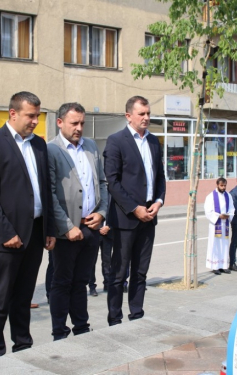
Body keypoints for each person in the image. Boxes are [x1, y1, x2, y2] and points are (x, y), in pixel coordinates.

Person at [0, 91, 56, 360]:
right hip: (5, 237)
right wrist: (6, 232)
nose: (35, 121)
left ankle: (23, 346)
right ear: (13, 113)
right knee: (0, 298)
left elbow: (46, 189)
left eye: (37, 116)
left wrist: (50, 229)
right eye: (30, 115)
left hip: (34, 234)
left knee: (23, 296)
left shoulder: (39, 145)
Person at [47, 102, 108, 340]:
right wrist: (67, 227)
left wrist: (102, 212)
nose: (79, 128)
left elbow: (102, 183)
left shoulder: (91, 146)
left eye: (82, 123)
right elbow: (50, 193)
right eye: (74, 123)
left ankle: (81, 327)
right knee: (62, 281)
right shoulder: (51, 150)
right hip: (66, 231)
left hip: (91, 226)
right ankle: (59, 332)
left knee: (82, 280)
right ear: (60, 122)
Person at [104, 95, 166, 326]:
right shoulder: (116, 141)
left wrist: (158, 201)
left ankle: (137, 313)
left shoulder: (153, 142)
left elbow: (160, 177)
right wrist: (134, 208)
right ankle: (115, 318)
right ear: (129, 116)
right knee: (119, 274)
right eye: (142, 114)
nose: (146, 118)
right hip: (124, 219)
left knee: (141, 271)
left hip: (149, 216)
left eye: (148, 113)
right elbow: (112, 181)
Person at [205, 178, 235, 275]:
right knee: (215, 245)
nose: (223, 187)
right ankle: (215, 266)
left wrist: (228, 215)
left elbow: (232, 208)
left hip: (224, 224)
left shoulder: (228, 196)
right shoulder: (210, 196)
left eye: (225, 185)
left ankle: (223, 265)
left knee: (224, 244)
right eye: (221, 185)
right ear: (217, 185)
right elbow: (208, 211)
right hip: (215, 225)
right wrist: (218, 216)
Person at [88, 196, 113, 296]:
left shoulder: (112, 194)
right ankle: (92, 286)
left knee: (107, 260)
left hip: (108, 233)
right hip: (94, 232)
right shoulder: (94, 195)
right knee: (91, 261)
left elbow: (115, 213)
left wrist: (109, 226)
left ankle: (107, 283)